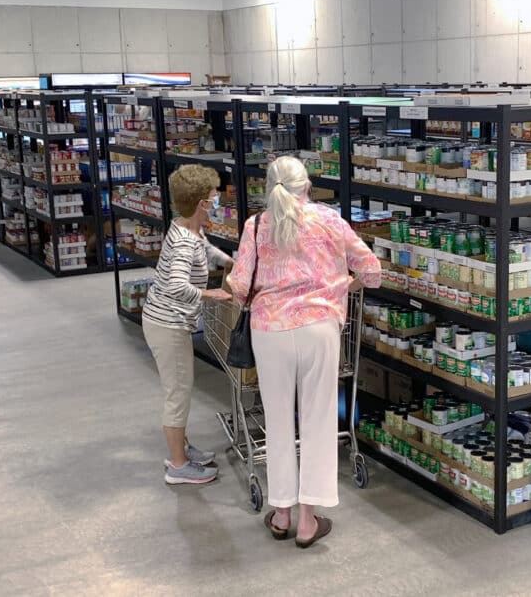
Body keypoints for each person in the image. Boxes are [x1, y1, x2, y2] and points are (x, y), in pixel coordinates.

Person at [227, 156, 381, 547]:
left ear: (269, 187)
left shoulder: (255, 225)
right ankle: (309, 520)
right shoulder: (329, 220)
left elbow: (240, 286)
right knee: (318, 419)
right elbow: (372, 271)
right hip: (319, 329)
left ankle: (281, 513)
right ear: (308, 187)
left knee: (277, 421)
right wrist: (341, 285)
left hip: (270, 332)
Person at [142, 164, 233, 485]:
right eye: (213, 198)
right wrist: (213, 294)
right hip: (168, 326)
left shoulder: (187, 228)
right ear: (201, 205)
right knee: (178, 392)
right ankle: (178, 466)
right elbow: (176, 286)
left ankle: (181, 447)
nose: (217, 203)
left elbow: (205, 249)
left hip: (163, 320)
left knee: (180, 388)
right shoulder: (183, 242)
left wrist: (230, 261)